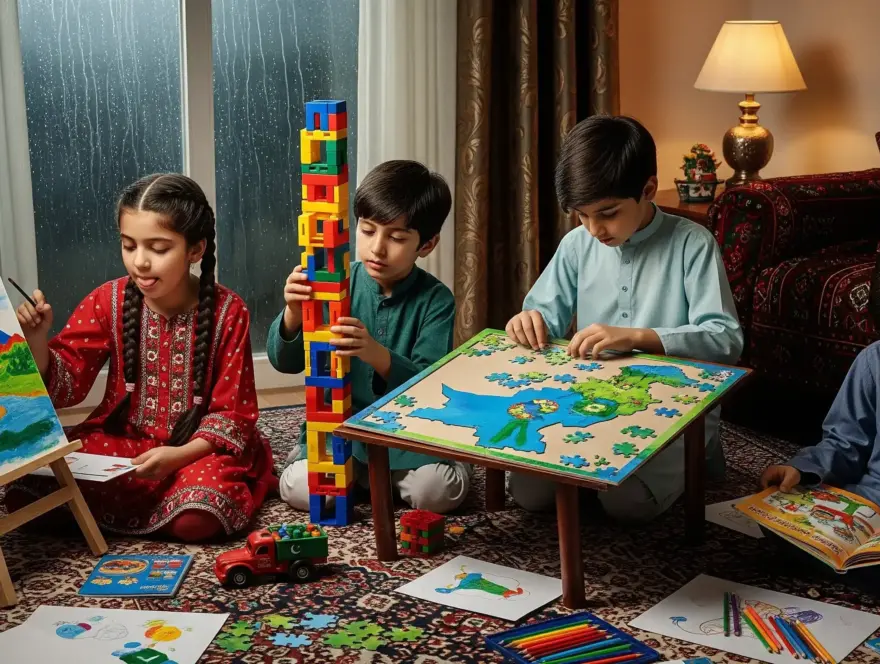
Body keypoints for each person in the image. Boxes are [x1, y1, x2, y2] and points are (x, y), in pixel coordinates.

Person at [8, 173, 275, 542]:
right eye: (129, 245)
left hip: (196, 451)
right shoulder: (107, 300)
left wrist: (177, 457)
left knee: (199, 518)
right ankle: (144, 509)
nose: (140, 262)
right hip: (122, 442)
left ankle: (130, 511)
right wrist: (37, 340)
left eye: (159, 248)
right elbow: (67, 384)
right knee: (25, 493)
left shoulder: (230, 312)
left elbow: (233, 414)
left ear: (195, 250)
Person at [505, 115, 743, 522]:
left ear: (648, 189)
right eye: (582, 215)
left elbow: (725, 340)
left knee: (627, 502)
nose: (594, 229)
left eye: (607, 213)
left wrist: (637, 337)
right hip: (590, 400)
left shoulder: (692, 244)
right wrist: (528, 321)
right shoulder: (577, 244)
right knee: (528, 492)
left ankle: (702, 449)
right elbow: (542, 313)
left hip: (672, 403)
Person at [271, 160, 471, 513]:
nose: (378, 248)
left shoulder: (436, 300)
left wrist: (376, 353)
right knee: (302, 490)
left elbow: (429, 387)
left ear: (427, 244)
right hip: (341, 429)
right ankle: (351, 475)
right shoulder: (334, 281)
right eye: (368, 230)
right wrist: (292, 312)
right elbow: (283, 362)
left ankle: (448, 464)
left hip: (406, 437)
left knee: (435, 493)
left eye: (396, 238)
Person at [759, 249, 880, 597]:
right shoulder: (876, 360)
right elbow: (845, 441)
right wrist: (801, 470)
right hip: (874, 504)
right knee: (776, 523)